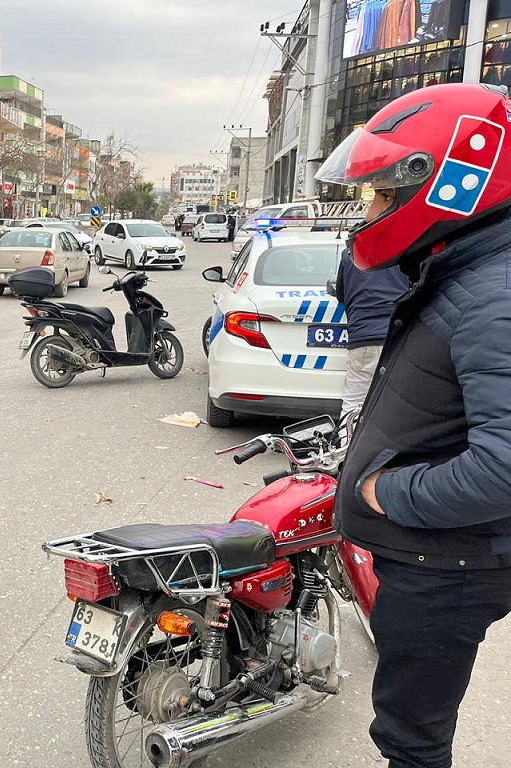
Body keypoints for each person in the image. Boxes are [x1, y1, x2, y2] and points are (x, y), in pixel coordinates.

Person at [317, 82, 511, 768]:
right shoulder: (466, 268)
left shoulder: (495, 294)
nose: (370, 210)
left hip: (447, 568)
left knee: (412, 741)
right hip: (437, 560)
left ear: (456, 180)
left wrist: (381, 493)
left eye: (382, 193)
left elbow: (504, 470)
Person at [333, 247, 407, 420]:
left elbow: (340, 295)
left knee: (354, 405)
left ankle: (348, 444)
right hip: (398, 338)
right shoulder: (407, 249)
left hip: (362, 337)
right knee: (401, 403)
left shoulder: (350, 253)